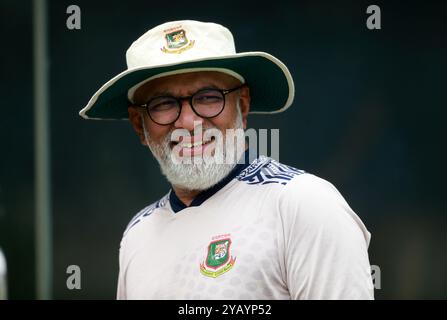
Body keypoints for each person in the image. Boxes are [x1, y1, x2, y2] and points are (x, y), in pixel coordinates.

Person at [79, 20, 374, 300]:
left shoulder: (301, 204)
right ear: (138, 125)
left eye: (208, 97)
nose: (189, 121)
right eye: (164, 104)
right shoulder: (138, 236)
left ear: (242, 106)